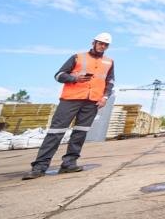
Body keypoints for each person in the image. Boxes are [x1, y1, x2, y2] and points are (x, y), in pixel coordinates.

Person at [23, 33, 114, 180]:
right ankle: (39, 167)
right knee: (56, 132)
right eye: (100, 43)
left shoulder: (109, 62)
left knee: (80, 133)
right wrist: (74, 78)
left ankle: (69, 164)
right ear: (93, 42)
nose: (102, 46)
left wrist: (104, 97)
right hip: (71, 99)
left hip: (92, 102)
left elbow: (110, 82)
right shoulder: (78, 57)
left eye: (105, 44)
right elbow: (59, 75)